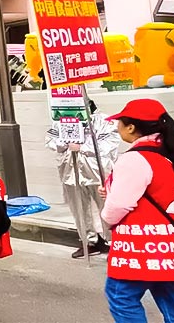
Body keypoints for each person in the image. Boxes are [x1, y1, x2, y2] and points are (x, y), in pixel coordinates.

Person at [99, 99, 174, 323]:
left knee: (121, 297)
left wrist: (107, 214)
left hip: (140, 245)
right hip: (172, 243)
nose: (117, 126)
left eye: (120, 122)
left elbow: (118, 206)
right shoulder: (172, 155)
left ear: (131, 127)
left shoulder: (135, 159)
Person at [46, 100, 121, 258]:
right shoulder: (62, 121)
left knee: (106, 206)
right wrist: (65, 142)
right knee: (79, 208)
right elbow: (51, 141)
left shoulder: (104, 121)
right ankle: (89, 242)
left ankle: (115, 242)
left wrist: (83, 147)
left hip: (97, 171)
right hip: (71, 171)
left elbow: (109, 145)